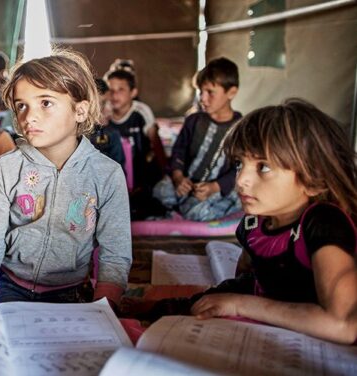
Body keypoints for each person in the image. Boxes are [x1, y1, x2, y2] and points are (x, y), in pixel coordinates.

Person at [150, 99, 357, 345]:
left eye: (264, 167)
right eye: (239, 164)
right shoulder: (254, 225)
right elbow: (249, 280)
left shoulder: (323, 223)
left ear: (313, 181)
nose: (241, 180)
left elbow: (344, 324)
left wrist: (240, 305)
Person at [0, 49, 132, 307]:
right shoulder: (8, 167)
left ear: (80, 111)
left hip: (71, 290)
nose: (28, 117)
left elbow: (115, 252)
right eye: (21, 105)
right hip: (9, 284)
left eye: (45, 102)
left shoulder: (106, 173)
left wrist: (104, 307)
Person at [153, 57, 242, 221]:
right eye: (201, 92)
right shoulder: (194, 121)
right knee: (160, 190)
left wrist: (215, 187)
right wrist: (178, 178)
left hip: (215, 190)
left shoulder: (242, 129)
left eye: (210, 92)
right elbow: (179, 150)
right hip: (186, 184)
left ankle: (186, 209)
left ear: (231, 92)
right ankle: (183, 206)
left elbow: (240, 167)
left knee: (198, 211)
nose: (203, 98)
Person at [106, 69, 165, 219]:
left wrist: (165, 171)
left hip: (142, 170)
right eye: (111, 90)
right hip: (115, 176)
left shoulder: (141, 111)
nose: (114, 95)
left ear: (133, 92)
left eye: (121, 89)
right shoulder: (104, 114)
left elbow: (156, 143)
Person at [89, 78, 124, 167]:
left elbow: (119, 170)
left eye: (111, 102)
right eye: (103, 103)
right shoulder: (73, 135)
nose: (109, 109)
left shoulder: (112, 134)